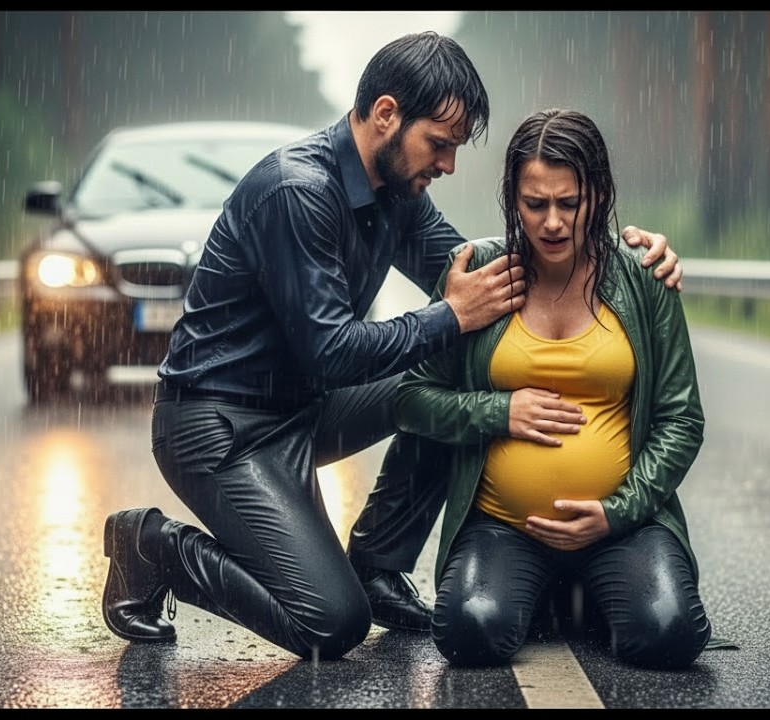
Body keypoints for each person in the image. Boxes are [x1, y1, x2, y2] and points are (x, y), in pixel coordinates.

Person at [99, 32, 683, 662]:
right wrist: (449, 316)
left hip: (304, 407)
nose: (449, 164)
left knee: (451, 375)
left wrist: (612, 254)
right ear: (385, 114)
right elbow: (337, 352)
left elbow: (487, 275)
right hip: (219, 428)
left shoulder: (397, 193)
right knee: (329, 625)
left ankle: (377, 565)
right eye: (440, 143)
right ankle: (150, 547)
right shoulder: (297, 191)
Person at [393, 108, 712, 669]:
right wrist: (499, 411)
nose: (553, 223)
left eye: (570, 203)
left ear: (600, 194)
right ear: (512, 198)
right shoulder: (481, 271)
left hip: (624, 528)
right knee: (469, 633)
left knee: (670, 636)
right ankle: (547, 592)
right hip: (502, 526)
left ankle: (571, 595)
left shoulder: (643, 275)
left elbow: (682, 419)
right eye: (535, 203)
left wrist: (619, 510)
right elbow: (412, 399)